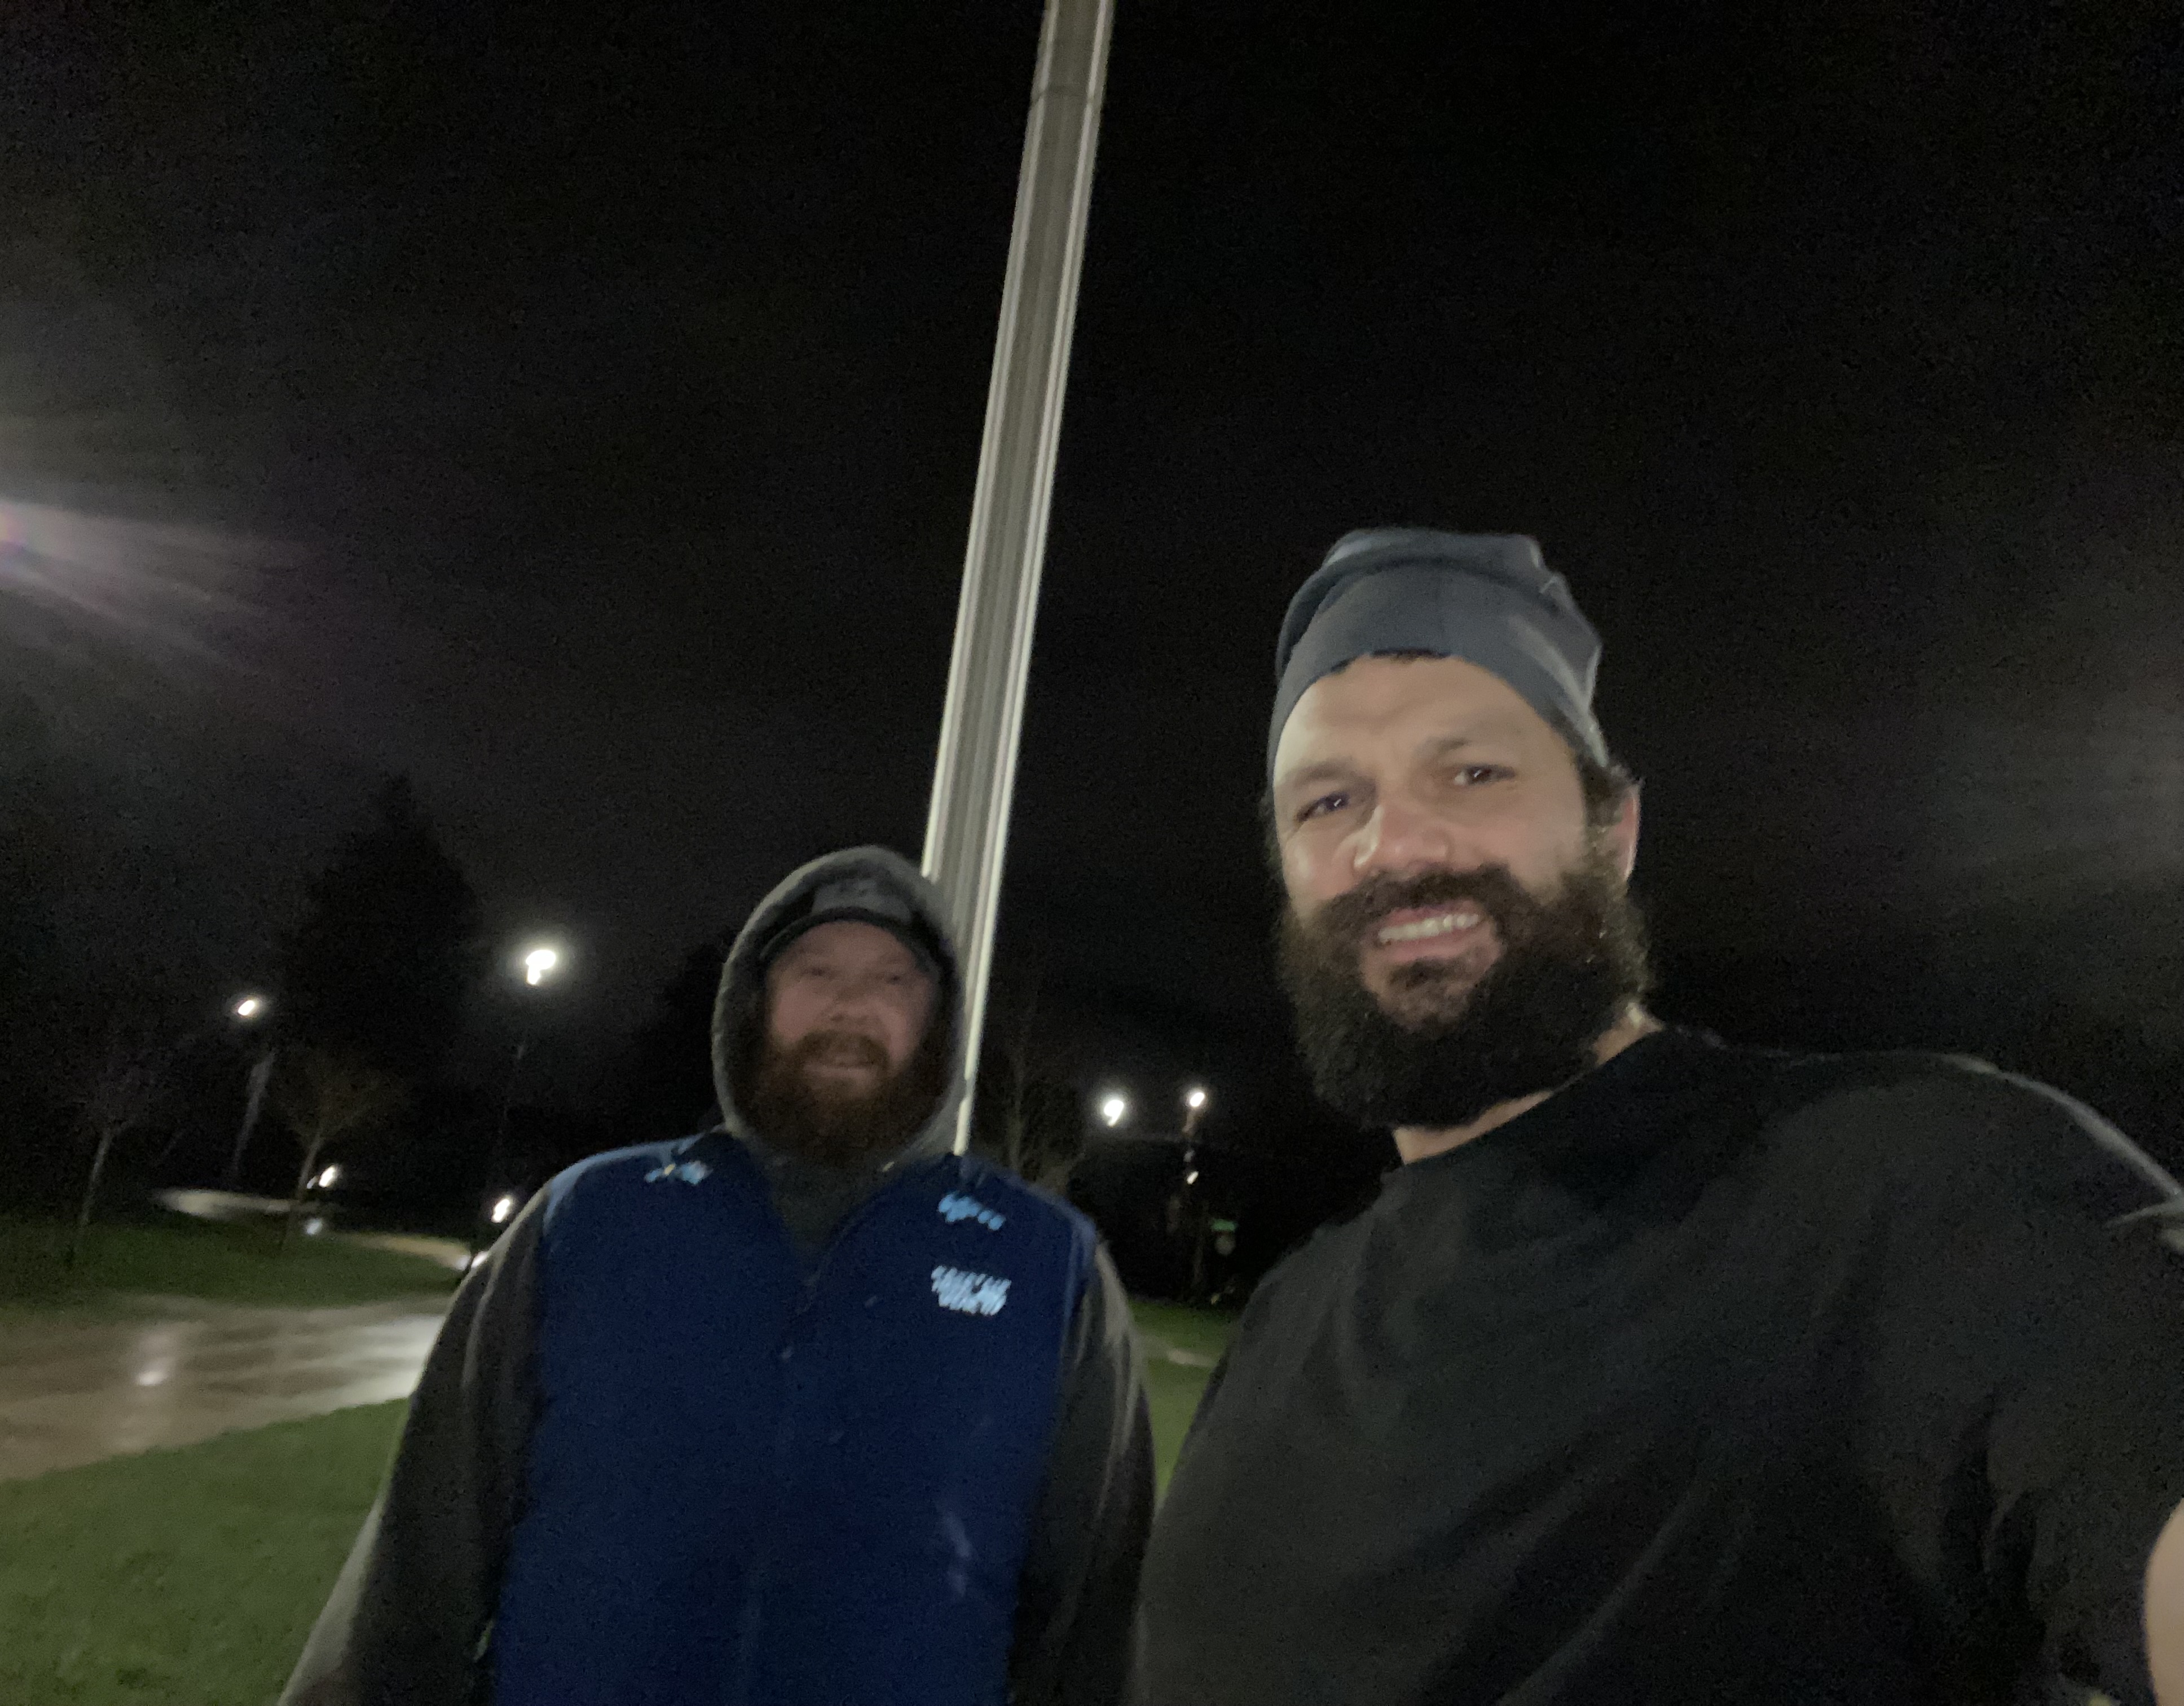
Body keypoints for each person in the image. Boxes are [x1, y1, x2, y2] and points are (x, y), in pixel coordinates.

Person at [1135, 528, 2184, 1705]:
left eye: (1473, 773)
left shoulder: (1915, 1198)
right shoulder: (1287, 1320)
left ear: (1614, 832)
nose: (1396, 846)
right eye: (1331, 801)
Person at [282, 846, 1153, 1706]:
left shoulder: (1050, 1268)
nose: (851, 1005)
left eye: (893, 981)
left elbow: (1096, 1625)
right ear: (754, 1004)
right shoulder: (590, 1218)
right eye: (816, 971)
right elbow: (425, 1548)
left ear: (940, 1022)